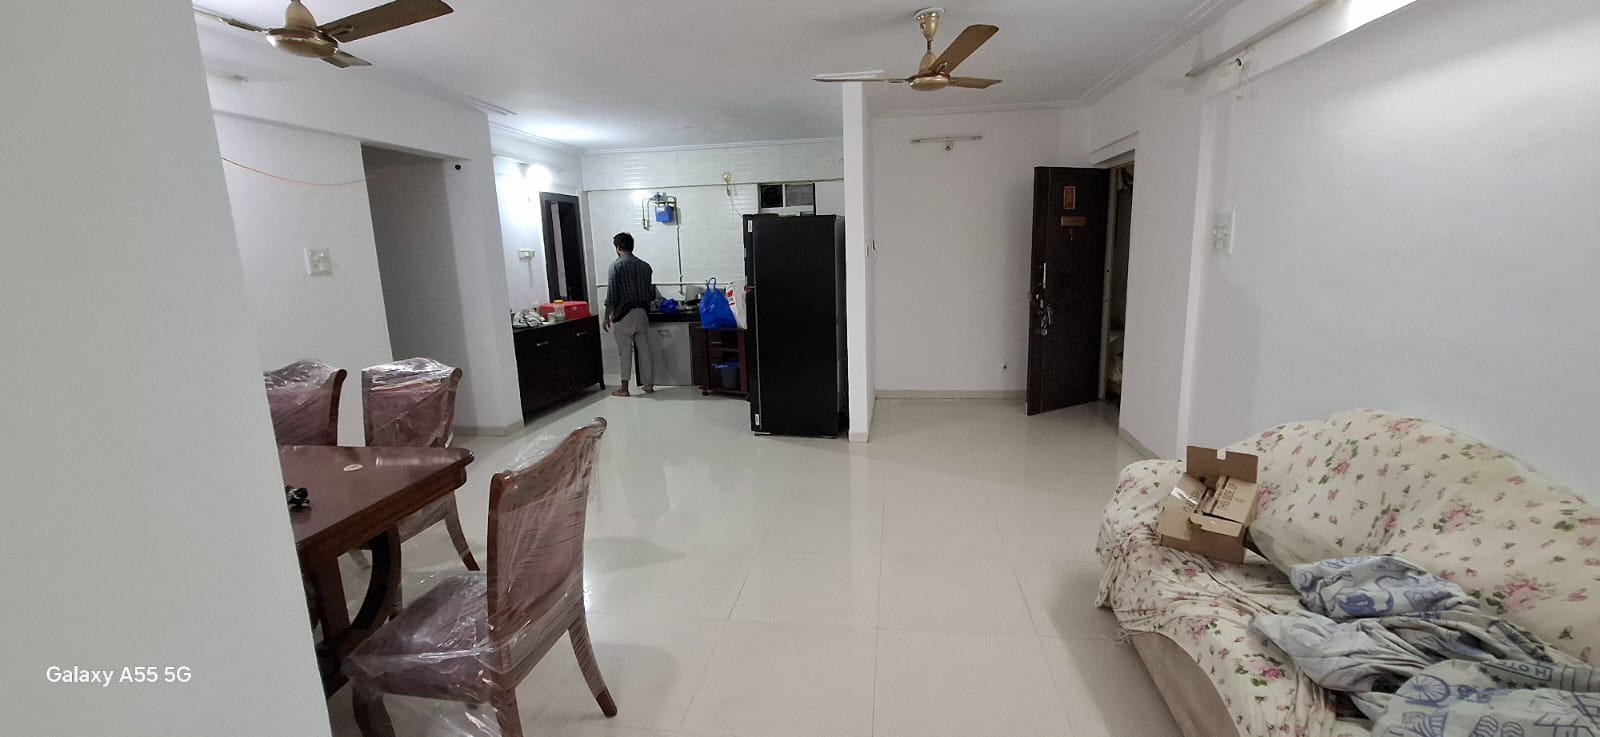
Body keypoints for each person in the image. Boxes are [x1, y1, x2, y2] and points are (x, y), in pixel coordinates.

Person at [602, 232, 659, 396]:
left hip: (623, 315)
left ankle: (624, 388)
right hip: (642, 313)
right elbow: (650, 294)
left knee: (625, 352)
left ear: (618, 247)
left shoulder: (616, 266)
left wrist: (606, 316)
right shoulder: (645, 266)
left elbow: (612, 295)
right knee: (645, 351)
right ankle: (648, 385)